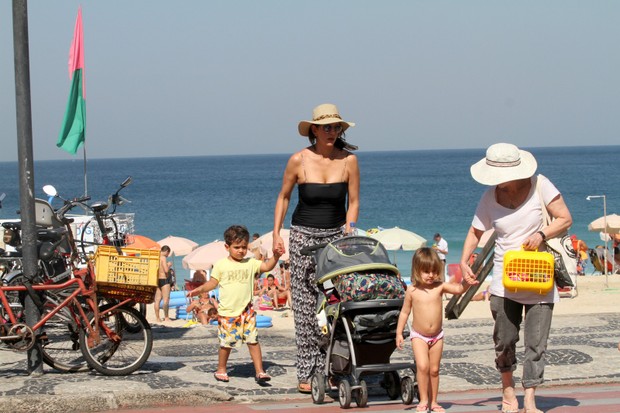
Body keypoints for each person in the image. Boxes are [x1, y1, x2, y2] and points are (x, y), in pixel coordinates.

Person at [459, 143, 572, 413]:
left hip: (539, 278)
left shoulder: (541, 185)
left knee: (536, 343)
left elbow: (565, 218)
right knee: (504, 340)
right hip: (503, 282)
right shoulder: (489, 197)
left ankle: (530, 397)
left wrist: (542, 234)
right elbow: (475, 231)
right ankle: (508, 390)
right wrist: (464, 261)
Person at [272, 103, 360, 393]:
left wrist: (350, 227)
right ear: (314, 130)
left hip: (336, 238)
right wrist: (276, 234)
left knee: (335, 305)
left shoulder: (349, 162)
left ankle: (334, 366)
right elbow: (283, 197)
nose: (332, 132)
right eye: (326, 127)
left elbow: (354, 201)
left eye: (336, 127)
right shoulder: (298, 160)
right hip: (302, 236)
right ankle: (306, 371)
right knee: (305, 306)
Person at [187, 225, 282, 383]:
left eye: (244, 247)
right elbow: (212, 283)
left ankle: (260, 371)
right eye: (236, 247)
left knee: (253, 340)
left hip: (247, 311)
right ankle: (221, 369)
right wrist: (199, 290)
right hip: (227, 312)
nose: (240, 250)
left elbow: (266, 266)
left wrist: (276, 256)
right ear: (227, 247)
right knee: (226, 343)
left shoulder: (251, 263)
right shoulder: (221, 265)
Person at [396, 247, 474, 413]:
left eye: (433, 271)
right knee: (423, 367)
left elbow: (459, 289)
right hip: (418, 336)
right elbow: (404, 312)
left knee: (434, 370)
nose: (430, 275)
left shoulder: (440, 287)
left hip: (437, 336)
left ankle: (434, 402)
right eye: (426, 271)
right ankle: (423, 400)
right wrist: (399, 333)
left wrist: (467, 281)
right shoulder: (412, 290)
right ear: (417, 270)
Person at [154, 245, 173, 322]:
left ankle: (157, 318)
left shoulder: (156, 257)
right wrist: (169, 265)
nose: (168, 255)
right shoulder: (163, 258)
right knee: (166, 299)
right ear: (167, 251)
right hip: (164, 280)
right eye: (168, 253)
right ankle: (166, 317)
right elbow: (165, 270)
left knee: (157, 300)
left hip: (157, 280)